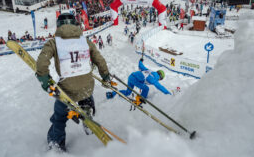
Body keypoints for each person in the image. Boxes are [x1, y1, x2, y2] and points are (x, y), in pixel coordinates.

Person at [36, 13, 111, 152]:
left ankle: (56, 142)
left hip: (67, 90)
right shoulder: (85, 41)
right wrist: (105, 76)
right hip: (87, 85)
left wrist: (46, 82)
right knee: (86, 93)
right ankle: (87, 109)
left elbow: (41, 64)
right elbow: (99, 60)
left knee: (59, 118)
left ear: (58, 26)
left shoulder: (53, 42)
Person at [106, 59, 171, 105]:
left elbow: (141, 66)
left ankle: (113, 94)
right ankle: (140, 100)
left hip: (131, 76)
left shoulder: (149, 70)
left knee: (128, 92)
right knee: (146, 88)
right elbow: (160, 86)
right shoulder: (154, 78)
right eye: (160, 79)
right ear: (160, 77)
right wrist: (167, 93)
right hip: (135, 79)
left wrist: (140, 61)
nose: (159, 80)